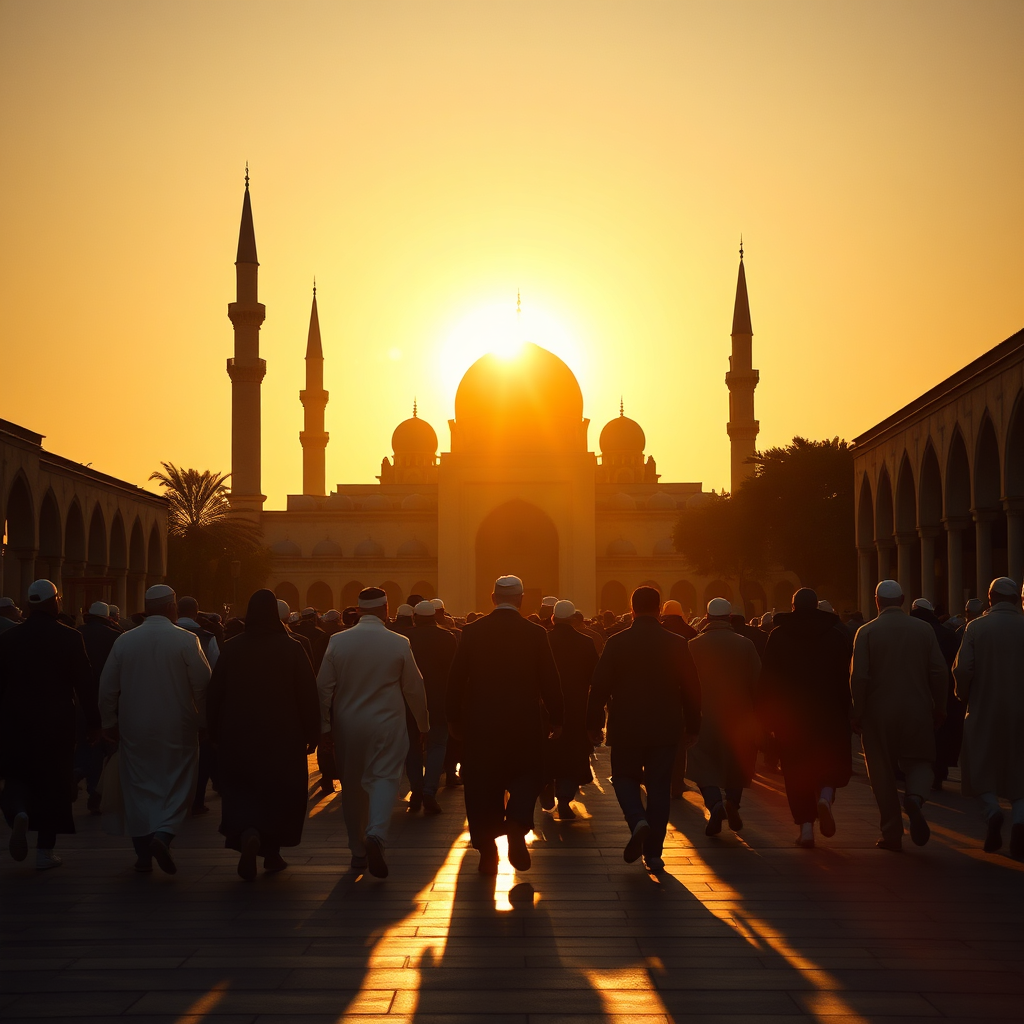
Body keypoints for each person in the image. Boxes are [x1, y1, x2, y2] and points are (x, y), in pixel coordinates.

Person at [447, 575, 563, 874]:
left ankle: (487, 852)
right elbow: (550, 680)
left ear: (493, 598)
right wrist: (557, 717)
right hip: (524, 721)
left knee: (482, 786)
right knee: (528, 776)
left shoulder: (472, 632)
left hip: (482, 723)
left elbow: (456, 680)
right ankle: (517, 821)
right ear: (521, 599)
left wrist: (453, 719)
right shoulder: (535, 633)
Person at [207, 590, 321, 879]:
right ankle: (271, 852)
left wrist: (213, 731)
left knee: (242, 788)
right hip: (283, 735)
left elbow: (215, 694)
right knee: (278, 792)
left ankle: (248, 832)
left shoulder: (231, 648)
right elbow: (308, 694)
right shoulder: (292, 647)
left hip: (238, 733)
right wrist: (313, 732)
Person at [98, 585, 212, 874]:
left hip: (135, 726)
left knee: (137, 787)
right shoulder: (186, 640)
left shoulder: (125, 641)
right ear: (172, 606)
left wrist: (108, 722)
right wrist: (204, 721)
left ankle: (142, 855)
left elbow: (108, 687)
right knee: (179, 781)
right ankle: (164, 834)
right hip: (178, 725)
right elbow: (203, 684)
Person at [317, 587, 428, 878]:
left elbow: (323, 688)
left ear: (359, 609)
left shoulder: (338, 641)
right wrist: (423, 724)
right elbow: (414, 689)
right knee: (385, 778)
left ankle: (357, 850)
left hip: (348, 725)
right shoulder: (398, 642)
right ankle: (376, 834)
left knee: (352, 787)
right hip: (388, 724)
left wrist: (324, 726)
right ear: (385, 609)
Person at [588, 586, 701, 872]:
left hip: (627, 724)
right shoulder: (676, 643)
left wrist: (592, 724)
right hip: (665, 725)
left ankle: (637, 819)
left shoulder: (617, 642)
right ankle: (654, 855)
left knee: (624, 777)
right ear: (660, 608)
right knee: (659, 787)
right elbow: (691, 689)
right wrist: (693, 725)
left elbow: (599, 687)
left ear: (632, 608)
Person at [0, 580, 98, 869]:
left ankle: (18, 811)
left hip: (15, 722)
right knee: (52, 784)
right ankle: (45, 850)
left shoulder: (8, 639)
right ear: (53, 601)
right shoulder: (69, 637)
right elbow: (85, 683)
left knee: (17, 776)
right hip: (56, 724)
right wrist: (94, 723)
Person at [850, 580, 948, 852]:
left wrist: (857, 712)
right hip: (917, 708)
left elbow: (859, 677)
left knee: (881, 771)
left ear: (877, 600)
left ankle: (892, 832)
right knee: (919, 761)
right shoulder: (924, 629)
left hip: (878, 711)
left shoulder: (866, 632)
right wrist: (940, 706)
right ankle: (915, 797)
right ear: (903, 599)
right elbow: (939, 672)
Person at [759, 588, 853, 848]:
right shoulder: (835, 636)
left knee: (796, 771)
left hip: (792, 718)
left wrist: (768, 718)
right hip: (828, 713)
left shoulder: (778, 636)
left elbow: (768, 680)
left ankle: (807, 828)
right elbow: (845, 679)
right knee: (828, 761)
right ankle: (824, 794)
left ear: (793, 607)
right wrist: (848, 711)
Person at [952, 577, 1024, 859]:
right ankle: (1019, 823)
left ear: (990, 597)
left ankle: (992, 811)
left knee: (979, 763)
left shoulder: (976, 627)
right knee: (1020, 769)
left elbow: (962, 670)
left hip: (984, 706)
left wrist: (964, 695)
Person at [687, 598, 761, 836]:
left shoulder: (693, 645)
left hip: (704, 714)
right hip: (739, 715)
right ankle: (732, 803)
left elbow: (684, 684)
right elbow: (757, 683)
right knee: (737, 762)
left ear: (707, 618)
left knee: (702, 762)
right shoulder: (745, 645)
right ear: (729, 618)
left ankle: (715, 804)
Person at [545, 600, 599, 820]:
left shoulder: (543, 640)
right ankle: (565, 799)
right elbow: (596, 680)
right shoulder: (585, 643)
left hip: (547, 708)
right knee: (572, 756)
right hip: (576, 709)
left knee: (548, 753)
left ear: (553, 618)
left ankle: (546, 789)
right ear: (573, 619)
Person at [406, 600, 458, 815]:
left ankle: (416, 789)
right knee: (437, 745)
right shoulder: (447, 638)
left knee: (412, 747)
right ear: (435, 617)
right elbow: (455, 673)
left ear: (415, 617)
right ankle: (429, 791)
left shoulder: (406, 639)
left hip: (410, 701)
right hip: (439, 701)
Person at [909, 598, 963, 791]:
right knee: (941, 735)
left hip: (915, 692)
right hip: (944, 693)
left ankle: (915, 778)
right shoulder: (948, 634)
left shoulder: (909, 632)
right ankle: (938, 773)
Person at [77, 601, 121, 813]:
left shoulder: (76, 633)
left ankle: (81, 775)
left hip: (79, 699)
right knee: (108, 746)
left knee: (86, 744)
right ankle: (98, 788)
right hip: (108, 698)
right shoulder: (115, 636)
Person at [177, 596, 220, 816]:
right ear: (196, 612)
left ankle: (176, 799)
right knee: (202, 752)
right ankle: (198, 799)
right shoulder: (206, 637)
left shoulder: (168, 634)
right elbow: (214, 672)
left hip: (172, 705)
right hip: (199, 706)